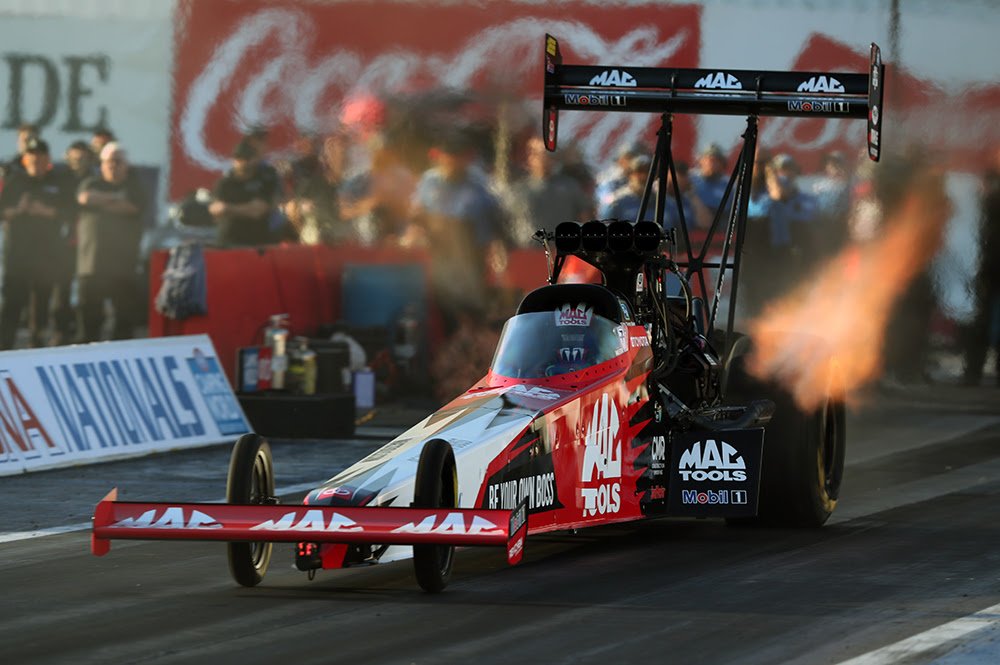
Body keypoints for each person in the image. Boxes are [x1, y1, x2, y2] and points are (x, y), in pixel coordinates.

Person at [409, 130, 505, 328]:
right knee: (443, 311)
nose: (452, 162)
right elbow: (416, 215)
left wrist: (494, 248)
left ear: (466, 159)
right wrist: (415, 232)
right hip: (437, 253)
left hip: (470, 254)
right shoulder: (429, 182)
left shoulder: (479, 185)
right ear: (440, 157)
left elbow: (492, 223)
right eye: (448, 157)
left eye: (458, 157)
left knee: (471, 309)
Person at [0, 138, 74, 348]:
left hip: (47, 255)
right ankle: (4, 347)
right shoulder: (15, 181)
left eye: (40, 157)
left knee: (41, 303)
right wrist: (18, 209)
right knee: (12, 303)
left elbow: (71, 212)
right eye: (32, 157)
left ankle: (37, 344)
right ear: (25, 159)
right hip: (17, 255)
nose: (36, 161)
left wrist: (47, 212)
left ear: (48, 159)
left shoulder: (58, 182)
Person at [75, 142, 148, 342]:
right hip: (92, 263)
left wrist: (102, 202)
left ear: (126, 165)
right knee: (89, 319)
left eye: (118, 161)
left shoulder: (134, 187)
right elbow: (86, 198)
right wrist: (116, 198)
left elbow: (132, 207)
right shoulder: (91, 183)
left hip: (123, 265)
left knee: (124, 321)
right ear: (101, 164)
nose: (112, 165)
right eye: (108, 161)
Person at [504, 136, 592, 246]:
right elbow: (506, 222)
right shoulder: (518, 191)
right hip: (529, 251)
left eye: (548, 155)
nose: (544, 158)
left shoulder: (569, 186)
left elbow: (584, 216)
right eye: (539, 154)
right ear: (530, 158)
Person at [963, 146, 1000, 386]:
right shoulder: (985, 203)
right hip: (987, 265)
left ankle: (973, 371)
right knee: (982, 318)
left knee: (980, 319)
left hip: (986, 266)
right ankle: (977, 370)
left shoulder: (985, 203)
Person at [209, 139, 278, 246]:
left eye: (245, 159)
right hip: (228, 241)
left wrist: (228, 208)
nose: (241, 162)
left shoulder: (263, 180)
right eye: (238, 159)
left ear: (254, 160)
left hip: (256, 242)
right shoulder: (225, 183)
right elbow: (216, 209)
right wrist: (245, 208)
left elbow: (258, 211)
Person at [596, 141, 644, 217]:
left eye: (637, 158)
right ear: (621, 160)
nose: (635, 162)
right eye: (630, 158)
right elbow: (606, 205)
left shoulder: (644, 178)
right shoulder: (610, 181)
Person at [690, 142, 730, 213]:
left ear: (722, 164)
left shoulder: (729, 185)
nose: (712, 164)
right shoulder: (690, 179)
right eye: (709, 159)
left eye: (716, 160)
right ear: (701, 161)